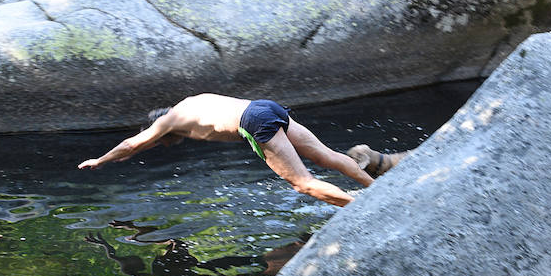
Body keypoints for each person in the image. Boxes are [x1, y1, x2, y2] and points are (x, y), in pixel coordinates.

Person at [77, 94, 372, 206]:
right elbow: (140, 147)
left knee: (302, 184)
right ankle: (375, 189)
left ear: (162, 127)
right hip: (264, 106)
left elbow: (134, 144)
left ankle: (360, 208)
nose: (164, 143)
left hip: (252, 121)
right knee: (327, 156)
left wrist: (100, 159)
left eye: (161, 138)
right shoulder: (191, 102)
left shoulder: (169, 121)